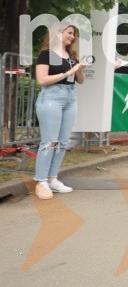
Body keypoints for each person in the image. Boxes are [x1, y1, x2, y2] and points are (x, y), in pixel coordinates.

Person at [33, 24, 87, 199]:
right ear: (58, 34)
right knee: (50, 141)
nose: (72, 37)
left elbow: (80, 81)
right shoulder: (46, 54)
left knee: (63, 141)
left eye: (74, 34)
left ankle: (52, 178)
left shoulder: (71, 56)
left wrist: (79, 70)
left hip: (71, 97)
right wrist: (68, 71)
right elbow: (42, 79)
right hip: (51, 98)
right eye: (69, 33)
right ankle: (41, 181)